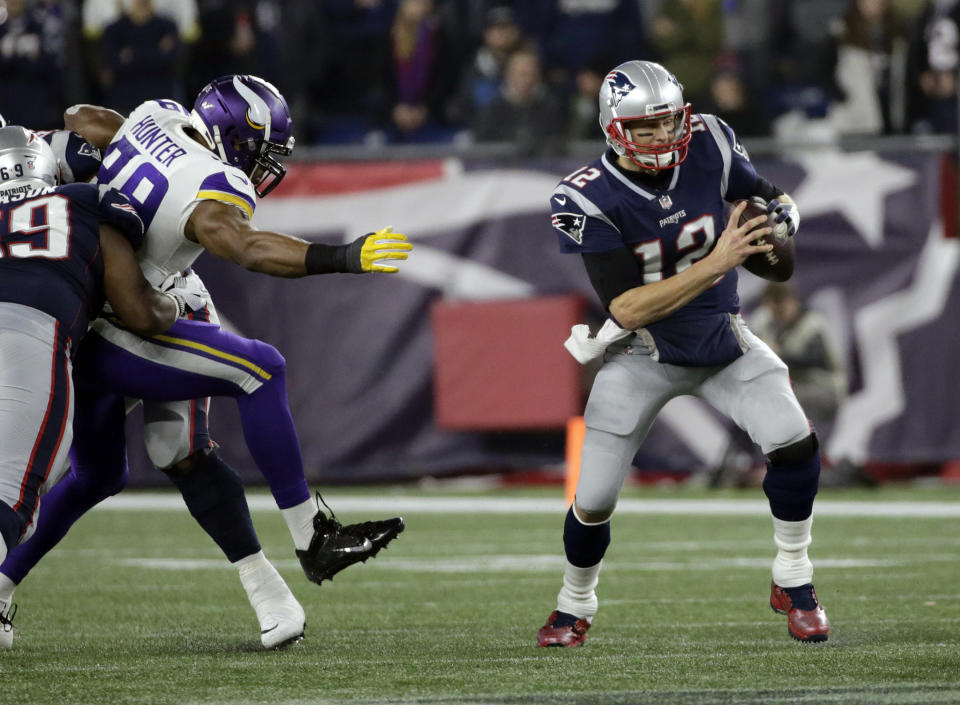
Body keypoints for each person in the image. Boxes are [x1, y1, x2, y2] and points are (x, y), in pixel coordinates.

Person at [0, 75, 412, 650]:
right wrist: (342, 255)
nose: (267, 166)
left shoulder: (157, 114)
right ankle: (311, 537)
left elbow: (82, 117)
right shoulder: (214, 181)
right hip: (121, 314)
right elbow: (246, 246)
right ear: (234, 137)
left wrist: (53, 155)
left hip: (91, 304)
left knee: (110, 469)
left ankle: (1, 588)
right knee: (259, 370)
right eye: (262, 150)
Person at [538, 60, 830, 647]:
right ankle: (574, 602)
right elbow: (627, 309)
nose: (662, 138)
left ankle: (794, 577)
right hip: (643, 351)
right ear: (613, 128)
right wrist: (718, 262)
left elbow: (765, 197)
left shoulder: (711, 141)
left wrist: (783, 215)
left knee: (794, 439)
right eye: (645, 129)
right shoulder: (584, 197)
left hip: (720, 337)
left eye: (670, 124)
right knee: (592, 501)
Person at [0, 124, 199, 645]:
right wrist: (179, 301)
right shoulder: (87, 202)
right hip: (29, 336)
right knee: (12, 495)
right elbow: (139, 311)